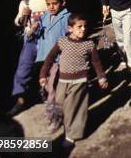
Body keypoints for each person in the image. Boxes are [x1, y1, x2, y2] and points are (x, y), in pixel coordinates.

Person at [40, 14, 108, 148]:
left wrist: (101, 77)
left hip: (80, 81)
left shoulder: (88, 44)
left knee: (74, 108)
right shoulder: (62, 42)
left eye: (85, 26)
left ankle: (72, 135)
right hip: (63, 81)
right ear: (70, 28)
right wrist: (43, 74)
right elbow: (49, 58)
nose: (83, 29)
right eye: (79, 26)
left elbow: (96, 62)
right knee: (59, 104)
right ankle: (60, 122)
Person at [8, 0, 47, 116]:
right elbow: (17, 21)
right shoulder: (25, 2)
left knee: (46, 67)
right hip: (30, 39)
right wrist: (23, 16)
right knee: (24, 67)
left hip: (47, 39)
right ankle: (20, 100)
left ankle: (48, 96)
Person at [34, 0, 71, 129]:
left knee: (53, 89)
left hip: (58, 59)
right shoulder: (45, 16)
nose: (51, 7)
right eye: (48, 4)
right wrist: (34, 29)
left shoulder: (67, 17)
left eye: (54, 4)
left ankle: (54, 118)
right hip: (45, 58)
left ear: (63, 3)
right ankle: (57, 111)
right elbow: (40, 35)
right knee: (48, 87)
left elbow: (70, 39)